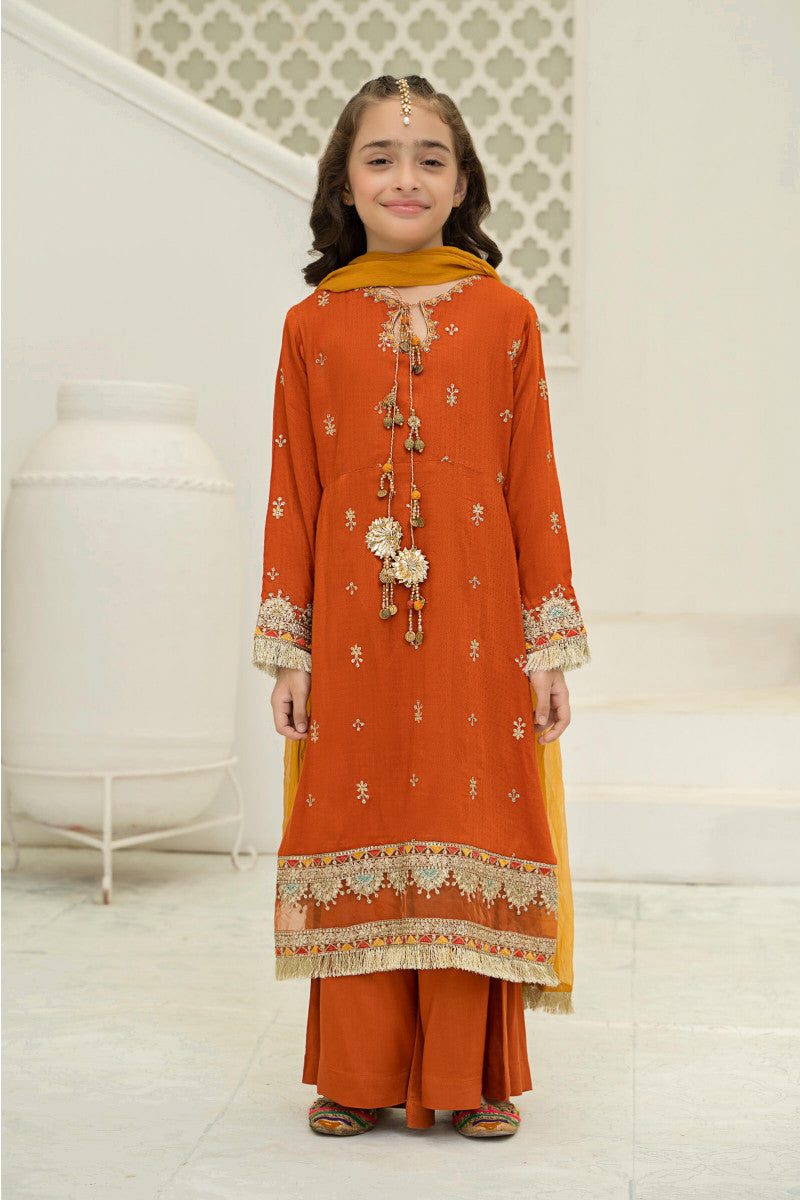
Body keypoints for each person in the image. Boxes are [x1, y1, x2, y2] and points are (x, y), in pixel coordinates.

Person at [252, 75, 590, 1139]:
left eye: (430, 158)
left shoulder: (505, 316)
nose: (406, 177)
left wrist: (547, 643)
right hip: (351, 628)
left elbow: (533, 484)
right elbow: (292, 490)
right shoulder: (311, 326)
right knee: (354, 812)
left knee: (468, 810)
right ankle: (357, 1074)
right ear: (344, 184)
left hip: (479, 631)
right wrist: (290, 648)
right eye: (381, 158)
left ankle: (466, 1075)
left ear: (462, 184)